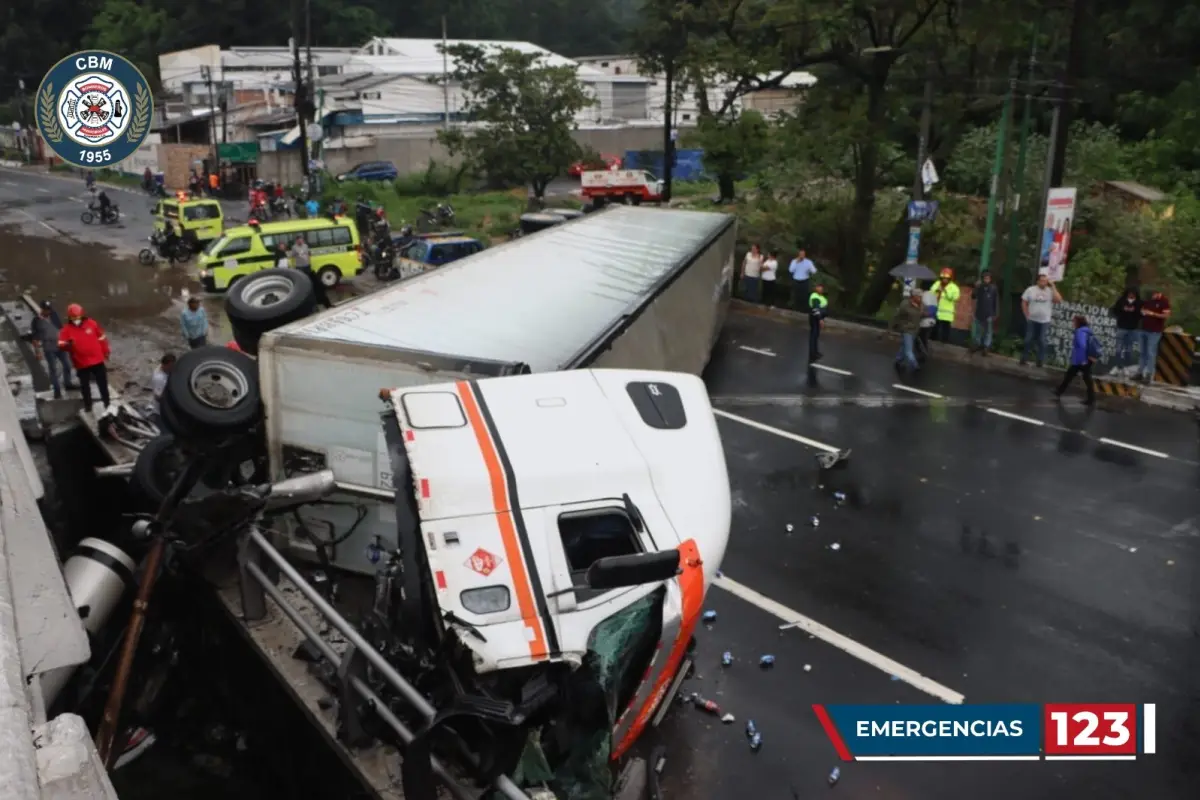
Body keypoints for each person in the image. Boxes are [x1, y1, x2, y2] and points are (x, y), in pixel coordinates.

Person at [56, 304, 111, 414]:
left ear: (82, 316)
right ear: (69, 318)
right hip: (81, 362)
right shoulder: (66, 330)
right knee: (85, 386)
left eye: (77, 318)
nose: (76, 320)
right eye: (73, 318)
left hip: (97, 360)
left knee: (103, 384)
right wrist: (67, 344)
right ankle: (88, 406)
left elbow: (101, 338)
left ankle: (107, 403)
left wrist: (106, 351)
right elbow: (60, 344)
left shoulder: (91, 323)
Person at [30, 301, 78, 399]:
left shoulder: (54, 315)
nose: (48, 311)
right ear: (42, 309)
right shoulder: (36, 321)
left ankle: (68, 384)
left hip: (60, 344)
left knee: (67, 365)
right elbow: (34, 338)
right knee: (53, 369)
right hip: (48, 347)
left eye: (49, 309)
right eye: (46, 310)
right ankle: (57, 391)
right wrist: (37, 352)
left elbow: (61, 328)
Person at [1019, 271, 1061, 367]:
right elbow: (1024, 302)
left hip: (1044, 321)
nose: (1043, 283)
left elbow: (1059, 300)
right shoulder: (1031, 290)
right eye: (1041, 281)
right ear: (1037, 281)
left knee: (1042, 340)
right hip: (1032, 319)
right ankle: (1024, 359)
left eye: (1045, 281)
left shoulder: (1050, 291)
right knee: (1028, 340)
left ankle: (1040, 361)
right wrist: (1026, 315)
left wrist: (1053, 286)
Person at [1054, 315, 1098, 405]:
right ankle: (1059, 391)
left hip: (1082, 359)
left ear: (1078, 323)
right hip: (1085, 358)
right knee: (1071, 375)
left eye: (1074, 321)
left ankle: (1091, 399)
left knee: (1085, 378)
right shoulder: (1087, 331)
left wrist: (1082, 360)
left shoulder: (1080, 332)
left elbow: (1082, 346)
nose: (1072, 323)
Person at [1138, 288, 1171, 383]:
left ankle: (1149, 374)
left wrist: (1153, 314)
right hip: (1144, 329)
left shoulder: (1164, 302)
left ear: (1158, 293)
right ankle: (1140, 372)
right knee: (1142, 352)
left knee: (1150, 352)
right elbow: (1143, 309)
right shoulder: (1149, 300)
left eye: (1154, 295)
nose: (1152, 296)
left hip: (1155, 331)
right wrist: (1143, 312)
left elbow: (1166, 316)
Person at [891, 288, 923, 373]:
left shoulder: (920, 305)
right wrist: (893, 326)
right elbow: (898, 316)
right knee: (909, 350)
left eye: (921, 296)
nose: (920, 298)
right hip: (907, 330)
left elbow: (921, 314)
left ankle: (898, 360)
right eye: (918, 296)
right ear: (914, 296)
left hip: (915, 330)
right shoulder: (905, 305)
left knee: (904, 345)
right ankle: (915, 365)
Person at [1110, 287, 1141, 373]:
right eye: (1129, 293)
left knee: (1129, 349)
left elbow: (1141, 314)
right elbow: (1114, 310)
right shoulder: (1121, 301)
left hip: (1132, 328)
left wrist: (1134, 311)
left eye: (1133, 293)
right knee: (1118, 349)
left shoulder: (1139, 303)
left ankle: (1127, 367)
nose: (1131, 295)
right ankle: (1117, 366)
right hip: (1121, 327)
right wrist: (1123, 311)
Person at [971, 271, 999, 355]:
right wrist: (976, 287)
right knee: (978, 330)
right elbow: (973, 296)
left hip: (989, 313)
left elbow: (996, 301)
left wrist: (995, 314)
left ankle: (986, 347)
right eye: (985, 278)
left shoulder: (993, 288)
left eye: (988, 278)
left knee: (988, 331)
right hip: (979, 312)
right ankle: (977, 344)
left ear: (990, 279)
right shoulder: (980, 287)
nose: (986, 280)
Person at [932, 268, 959, 342]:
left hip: (947, 313)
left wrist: (945, 291)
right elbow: (931, 292)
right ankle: (933, 340)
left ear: (950, 278)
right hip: (936, 310)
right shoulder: (937, 283)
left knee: (945, 328)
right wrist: (937, 290)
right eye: (943, 278)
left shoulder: (954, 287)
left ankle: (944, 342)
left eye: (946, 278)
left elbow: (954, 298)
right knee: (934, 327)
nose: (944, 280)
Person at [808, 283, 828, 363]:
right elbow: (816, 309)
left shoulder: (821, 297)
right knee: (814, 335)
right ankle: (812, 353)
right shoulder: (814, 296)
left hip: (818, 318)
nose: (820, 289)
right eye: (819, 287)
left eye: (821, 288)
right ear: (816, 288)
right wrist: (820, 319)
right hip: (815, 318)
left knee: (816, 335)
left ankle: (815, 352)